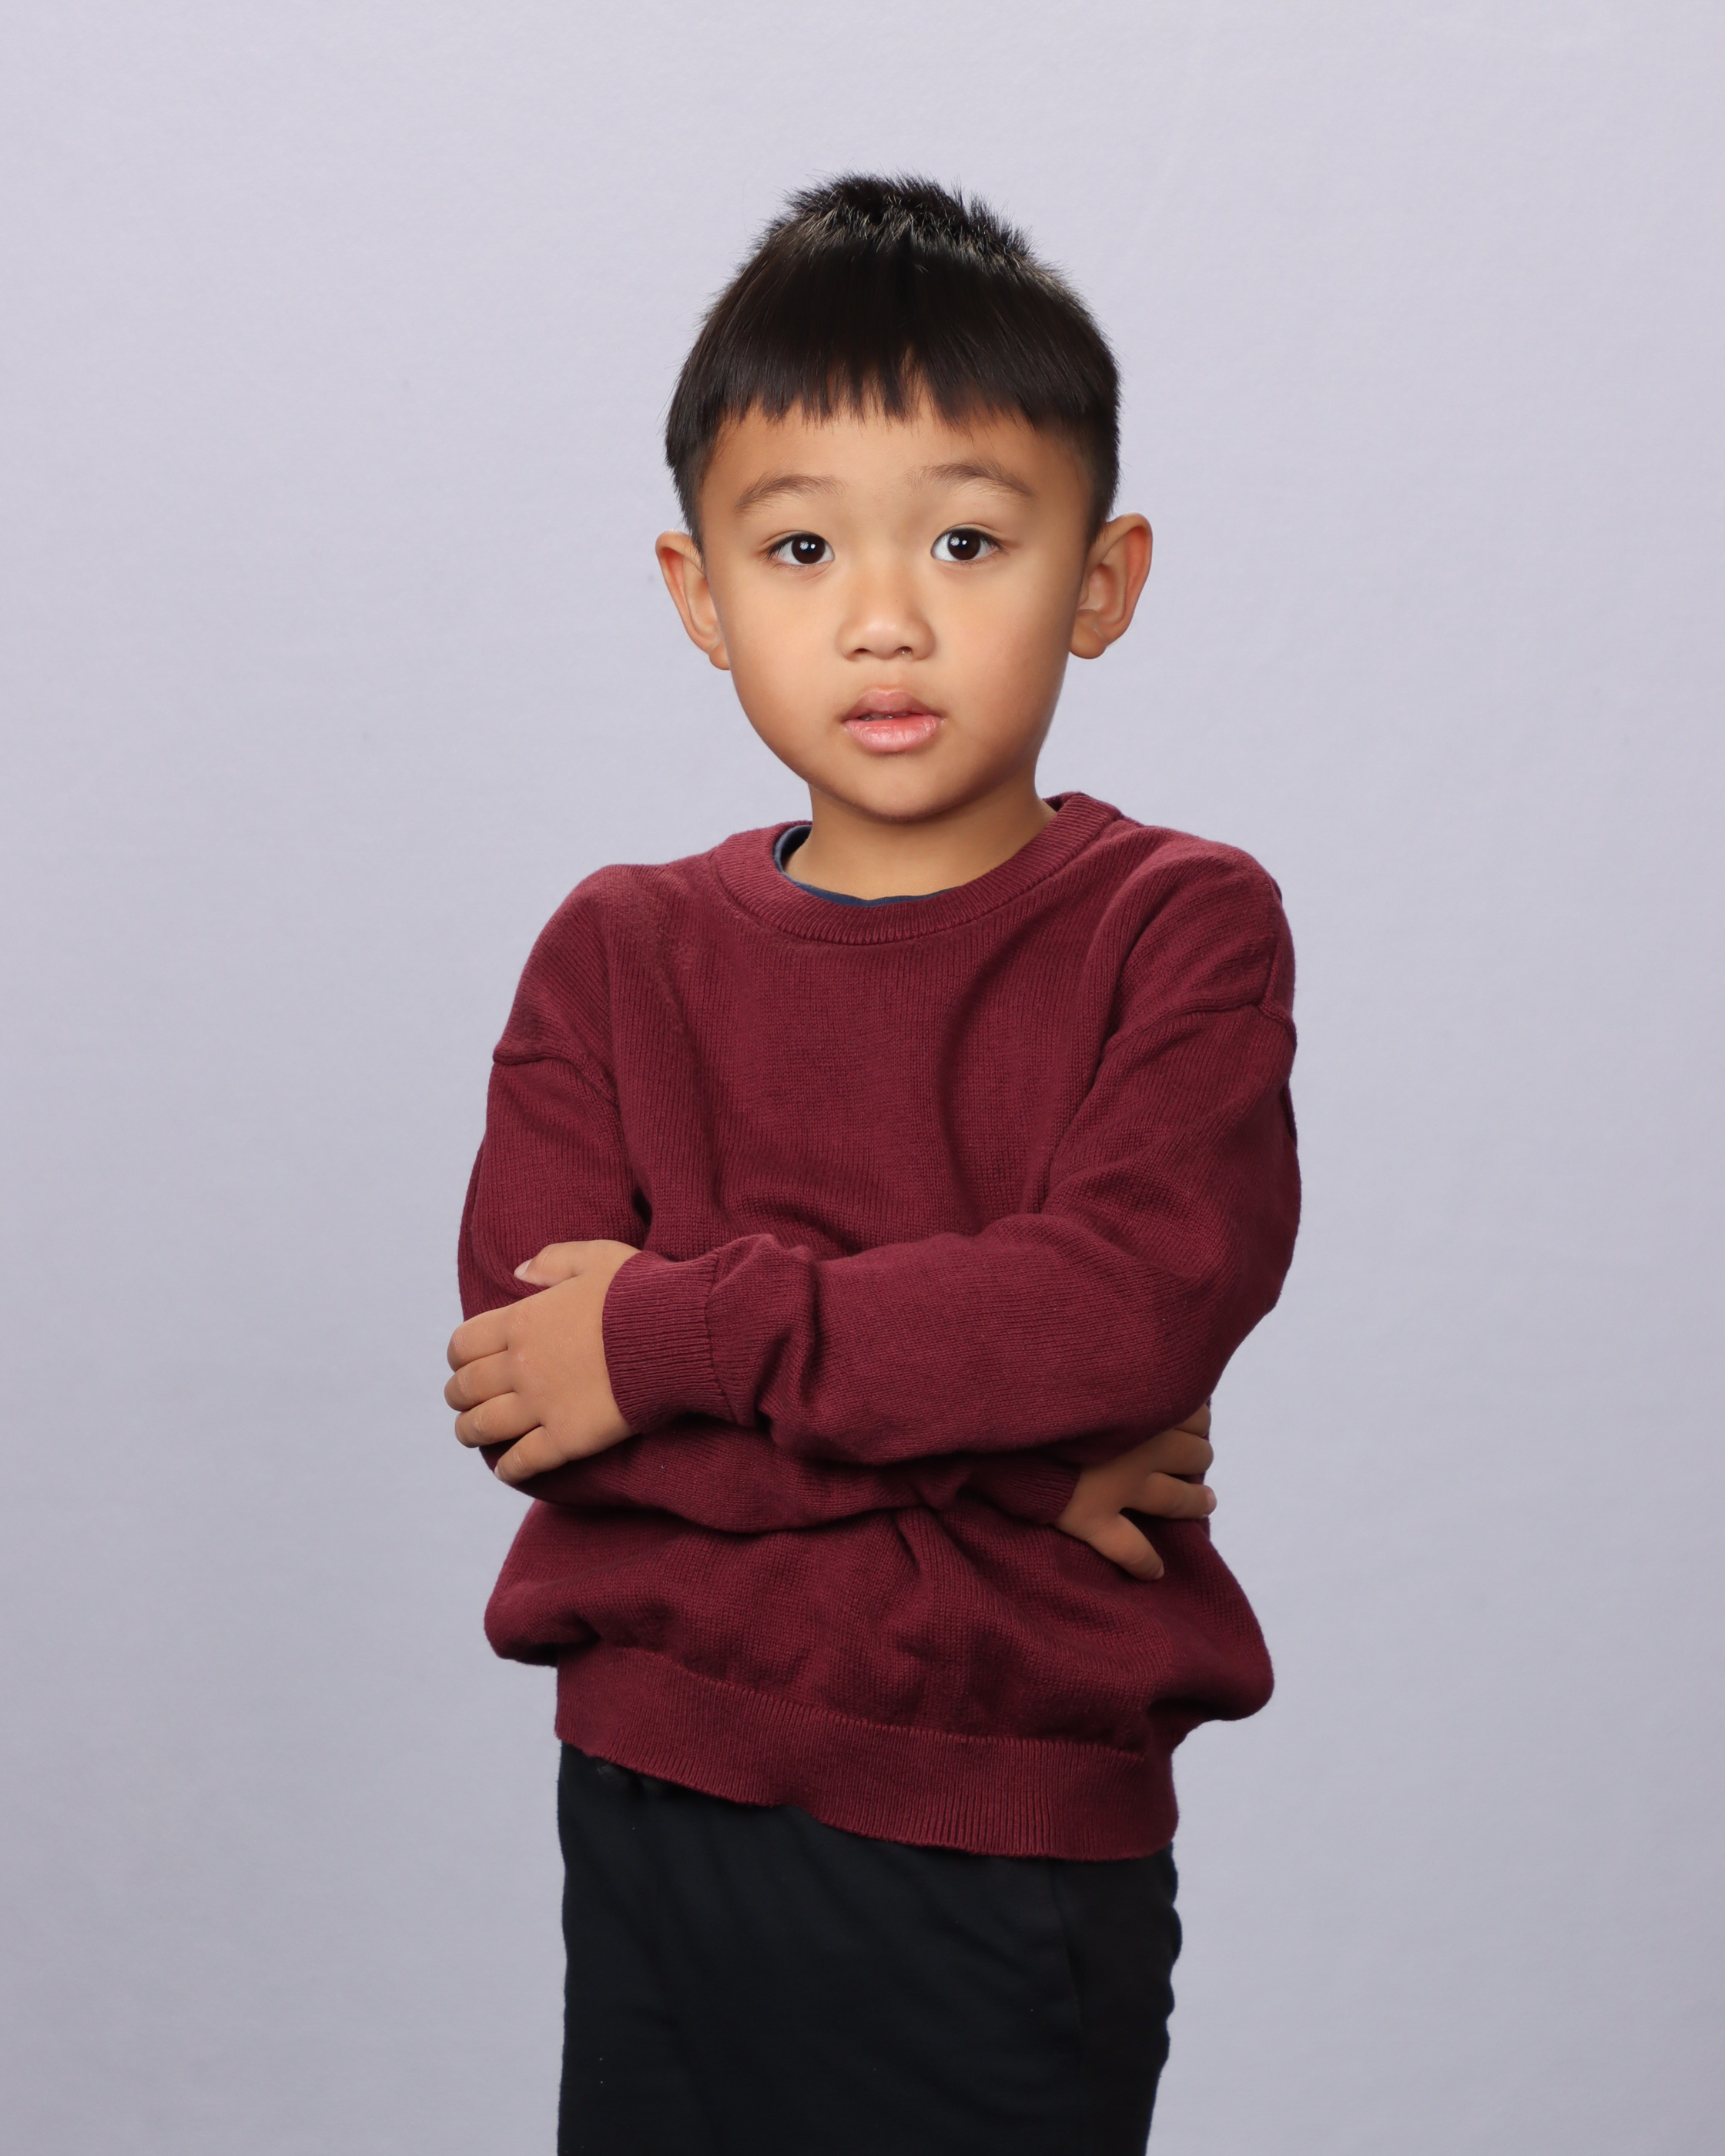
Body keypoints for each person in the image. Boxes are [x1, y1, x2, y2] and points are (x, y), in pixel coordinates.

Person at [444, 174, 1300, 2156]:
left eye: (969, 539)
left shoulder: (1177, 928)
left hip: (996, 1835)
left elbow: (1118, 1307)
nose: (884, 614)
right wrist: (1011, 1464)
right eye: (802, 545)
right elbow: (532, 1390)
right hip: (650, 1794)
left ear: (1101, 578)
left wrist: (669, 1340)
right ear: (700, 594)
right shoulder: (617, 949)